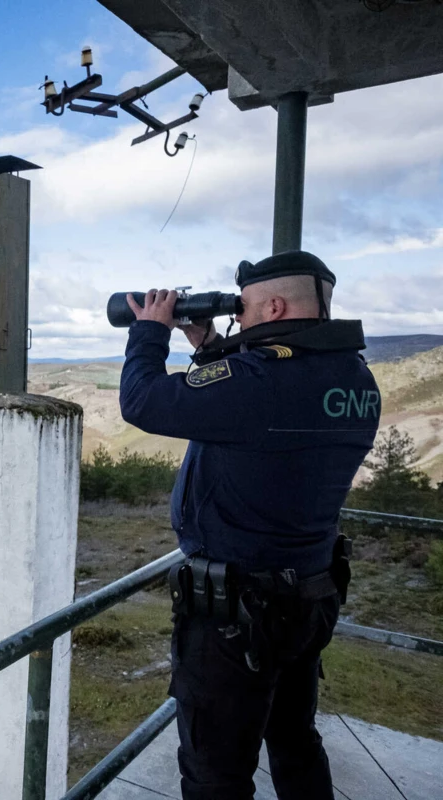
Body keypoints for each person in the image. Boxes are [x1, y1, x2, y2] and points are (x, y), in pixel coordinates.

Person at [118, 250, 381, 800]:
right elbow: (261, 412)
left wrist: (150, 331)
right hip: (308, 598)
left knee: (216, 773)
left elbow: (142, 401)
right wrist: (211, 345)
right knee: (295, 741)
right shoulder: (356, 379)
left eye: (244, 309)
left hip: (235, 616)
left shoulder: (259, 380)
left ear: (276, 306)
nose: (239, 317)